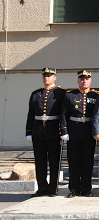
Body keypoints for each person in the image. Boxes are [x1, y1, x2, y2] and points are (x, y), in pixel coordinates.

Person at [26, 67, 66, 197]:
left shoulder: (61, 93)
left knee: (54, 161)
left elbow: (63, 113)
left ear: (55, 77)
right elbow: (31, 113)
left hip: (54, 131)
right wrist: (29, 131)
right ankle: (42, 187)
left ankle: (53, 188)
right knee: (40, 161)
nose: (46, 78)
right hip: (38, 131)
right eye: (44, 76)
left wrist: (63, 130)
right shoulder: (35, 93)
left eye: (49, 76)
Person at [61, 70, 99, 197]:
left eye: (87, 79)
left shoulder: (96, 95)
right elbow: (63, 114)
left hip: (89, 132)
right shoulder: (70, 95)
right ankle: (73, 189)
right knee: (74, 162)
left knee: (88, 162)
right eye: (82, 79)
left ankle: (86, 188)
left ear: (90, 81)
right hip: (74, 131)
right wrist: (64, 131)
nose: (84, 81)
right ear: (78, 81)